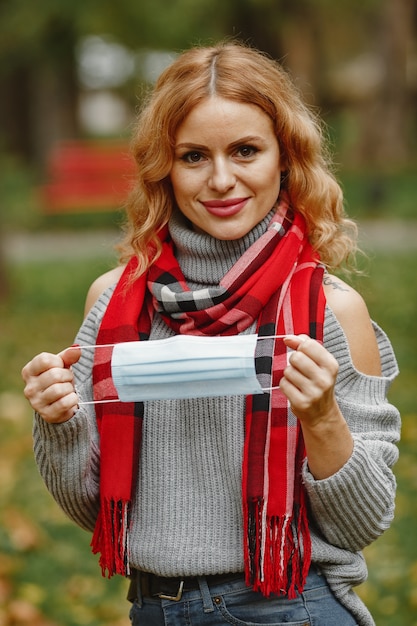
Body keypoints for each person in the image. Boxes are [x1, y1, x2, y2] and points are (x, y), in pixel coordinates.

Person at [22, 42, 400, 626]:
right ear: (164, 168)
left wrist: (323, 419)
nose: (222, 179)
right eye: (194, 156)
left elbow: (364, 523)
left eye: (246, 150)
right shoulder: (116, 304)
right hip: (154, 609)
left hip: (290, 608)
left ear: (285, 157)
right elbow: (94, 511)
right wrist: (60, 424)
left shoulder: (330, 308)